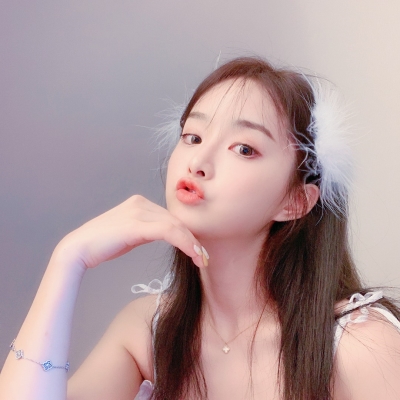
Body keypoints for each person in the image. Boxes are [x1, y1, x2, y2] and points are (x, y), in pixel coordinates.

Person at [1, 57, 400, 400]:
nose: (198, 162)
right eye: (192, 137)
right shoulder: (150, 332)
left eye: (244, 149)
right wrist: (68, 259)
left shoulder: (359, 347)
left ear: (295, 201)